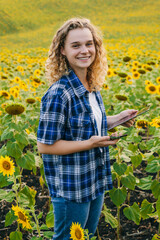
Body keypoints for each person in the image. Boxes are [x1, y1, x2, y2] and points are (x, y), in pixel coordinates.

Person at [37, 17, 137, 240]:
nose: (85, 50)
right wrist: (91, 143)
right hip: (71, 187)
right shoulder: (59, 93)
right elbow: (45, 146)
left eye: (89, 44)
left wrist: (115, 119)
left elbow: (85, 125)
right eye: (76, 45)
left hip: (94, 178)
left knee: (87, 236)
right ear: (62, 50)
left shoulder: (90, 86)